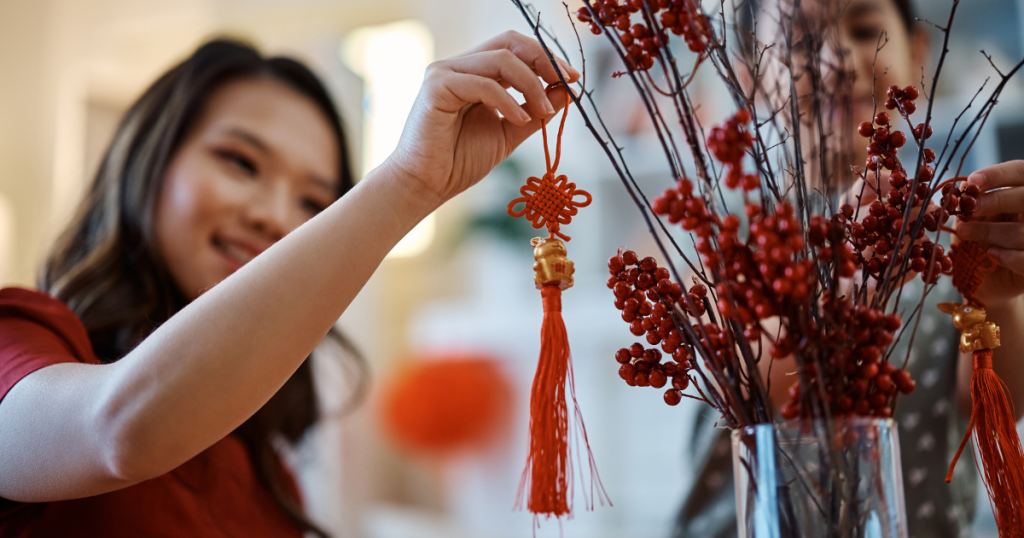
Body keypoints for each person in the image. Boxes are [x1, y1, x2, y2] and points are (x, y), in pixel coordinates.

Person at [0, 33, 579, 537]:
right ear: (147, 165)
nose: (276, 217)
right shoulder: (20, 342)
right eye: (240, 163)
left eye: (313, 202)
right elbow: (119, 432)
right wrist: (407, 184)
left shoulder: (265, 474)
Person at [674, 1, 1024, 537]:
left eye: (864, 30)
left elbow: (998, 400)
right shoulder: (722, 241)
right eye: (801, 41)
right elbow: (762, 395)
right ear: (747, 81)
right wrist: (829, 298)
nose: (839, 63)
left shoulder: (945, 241)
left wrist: (998, 295)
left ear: (920, 55)